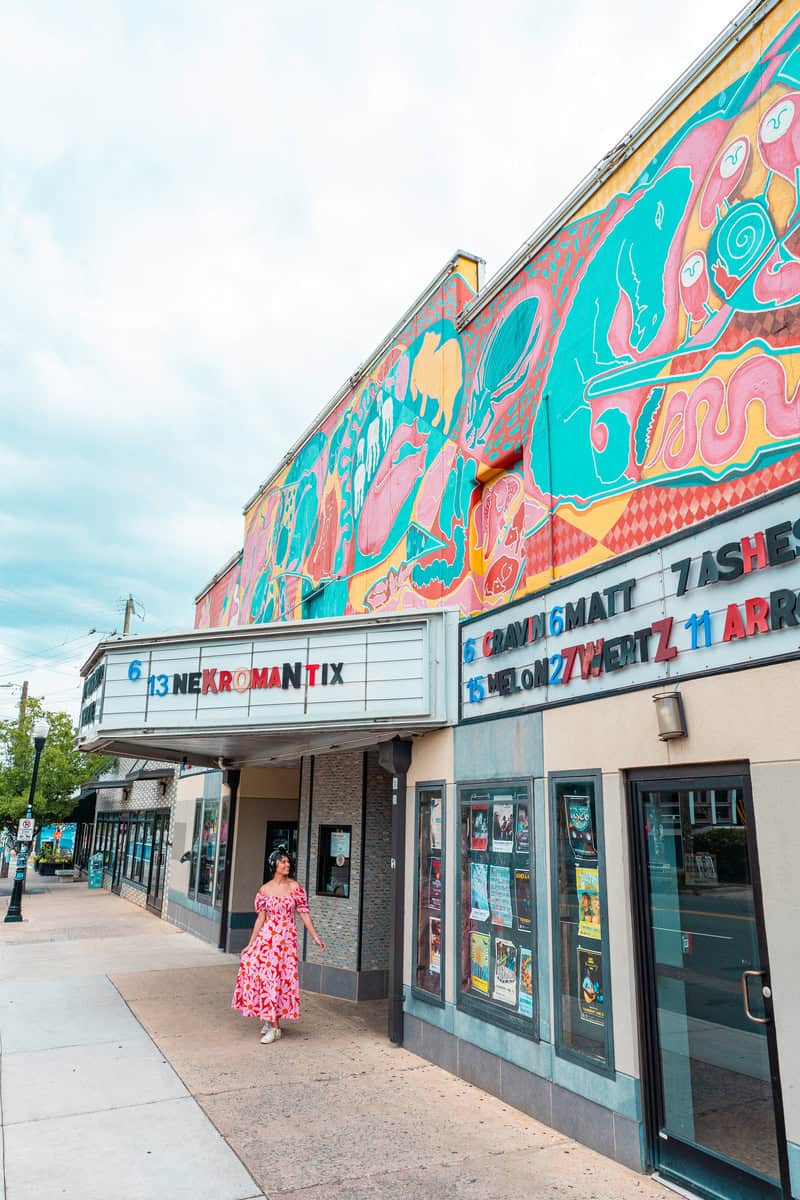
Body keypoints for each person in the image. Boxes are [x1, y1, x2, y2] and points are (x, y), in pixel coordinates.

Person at [232, 847, 326, 1044]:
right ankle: (272, 1025)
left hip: (285, 942)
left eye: (288, 862)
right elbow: (260, 919)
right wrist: (250, 944)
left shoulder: (295, 887)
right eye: (283, 861)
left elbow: (304, 913)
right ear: (274, 864)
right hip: (267, 941)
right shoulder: (264, 890)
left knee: (280, 981)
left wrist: (315, 936)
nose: (287, 865)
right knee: (264, 977)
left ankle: (272, 1022)